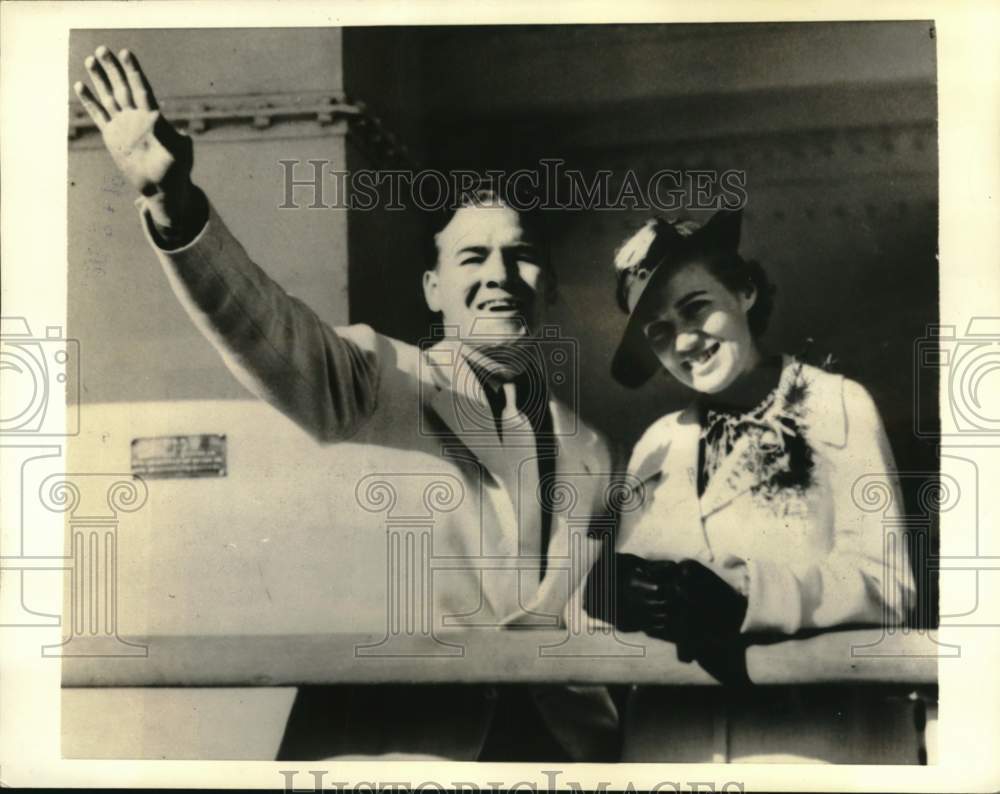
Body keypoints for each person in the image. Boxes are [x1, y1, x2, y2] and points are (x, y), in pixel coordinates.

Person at [75, 46, 618, 762]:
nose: (500, 277)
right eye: (472, 258)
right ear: (433, 290)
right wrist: (172, 207)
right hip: (394, 752)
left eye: (519, 256)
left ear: (547, 283)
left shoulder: (589, 448)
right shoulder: (373, 379)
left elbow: (590, 617)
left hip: (549, 751)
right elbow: (261, 323)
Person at [586, 209, 918, 762]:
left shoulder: (836, 404)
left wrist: (750, 596)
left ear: (743, 291)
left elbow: (888, 585)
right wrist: (611, 596)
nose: (685, 341)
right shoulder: (656, 444)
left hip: (804, 748)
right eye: (660, 331)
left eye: (696, 309)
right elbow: (616, 594)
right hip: (675, 749)